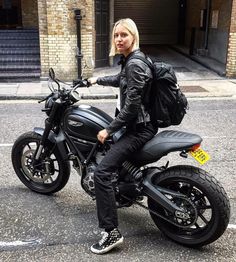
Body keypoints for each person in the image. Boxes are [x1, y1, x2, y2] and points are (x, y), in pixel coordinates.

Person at [88, 18, 156, 254]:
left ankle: (110, 233)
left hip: (138, 129)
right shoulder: (131, 61)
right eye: (116, 35)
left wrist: (109, 129)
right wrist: (96, 80)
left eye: (123, 35)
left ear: (133, 36)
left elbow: (132, 109)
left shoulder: (135, 63)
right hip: (135, 126)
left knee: (103, 172)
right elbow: (121, 80)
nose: (119, 39)